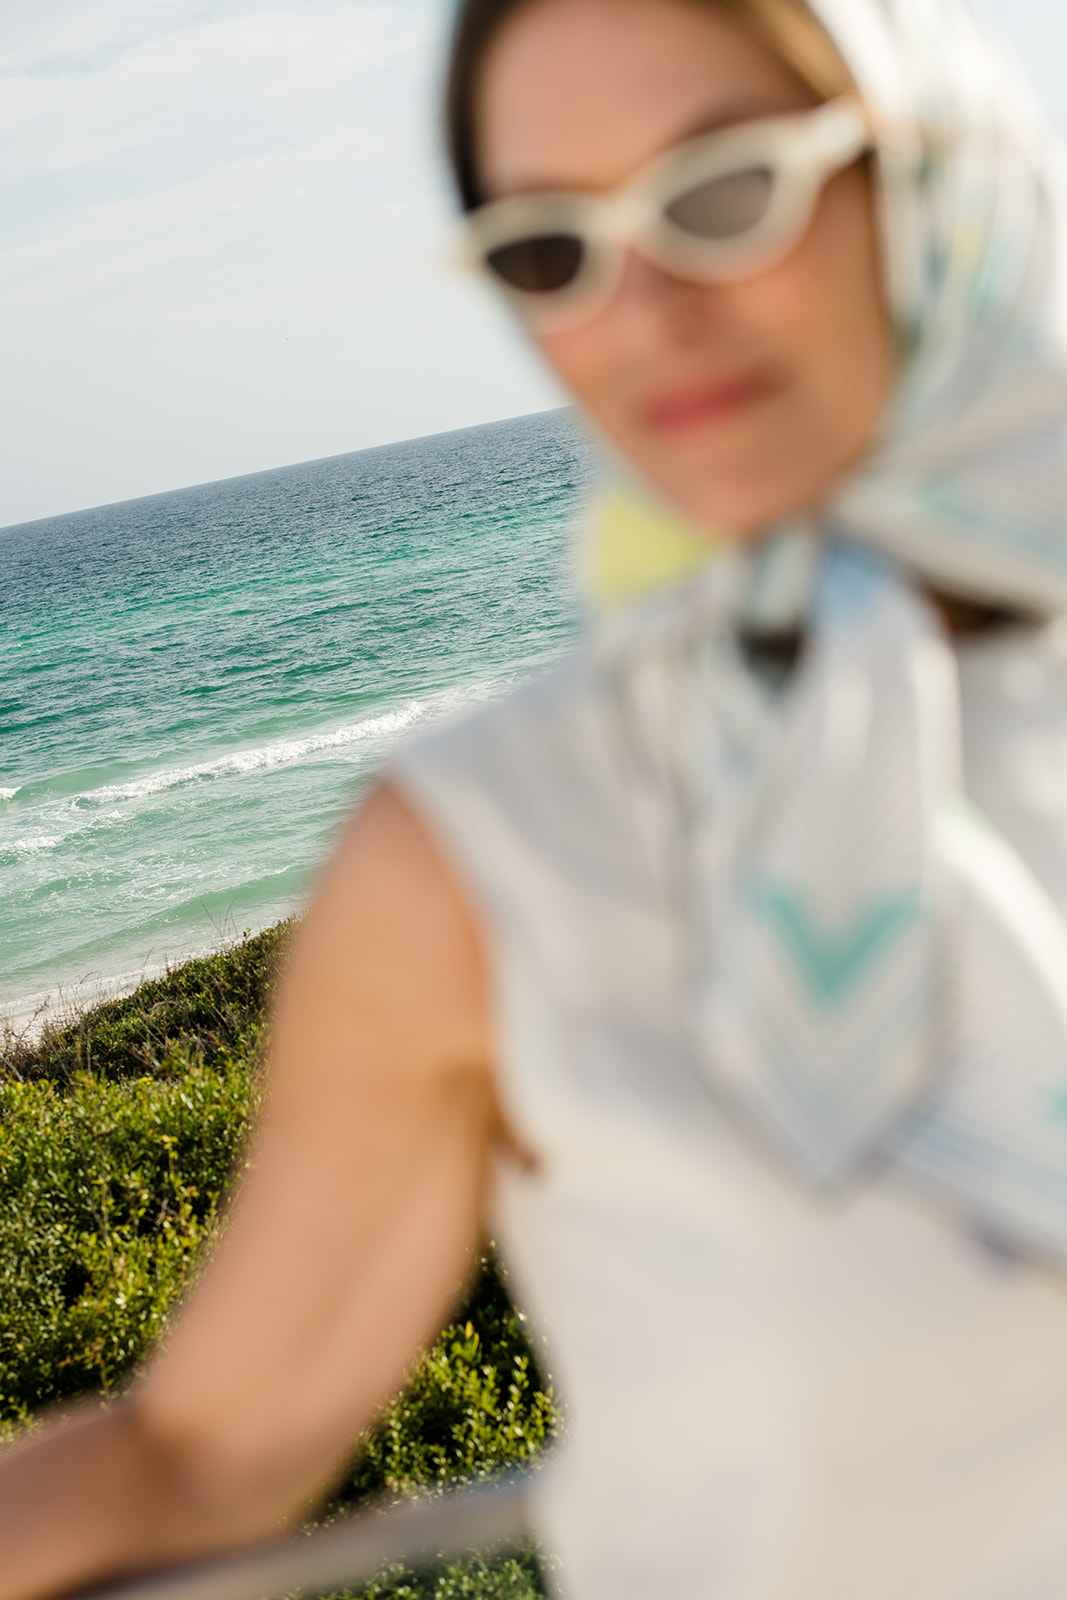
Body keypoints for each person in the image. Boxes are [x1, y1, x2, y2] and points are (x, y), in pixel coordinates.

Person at [7, 0, 1067, 1595]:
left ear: (927, 167)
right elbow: (198, 1452)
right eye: (550, 249)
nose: (645, 308)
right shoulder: (496, 850)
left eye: (724, 191)